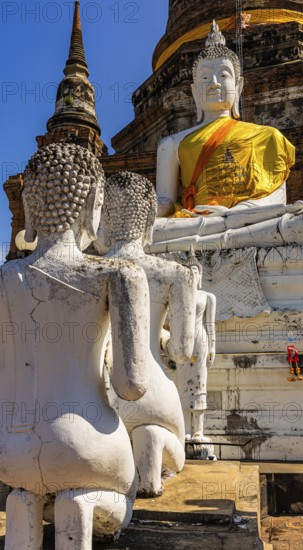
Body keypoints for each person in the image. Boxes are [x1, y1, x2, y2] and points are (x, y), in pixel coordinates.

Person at [0, 144, 151, 549]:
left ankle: (23, 504)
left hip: (9, 448)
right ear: (92, 202)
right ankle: (82, 504)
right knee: (125, 492)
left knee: (24, 490)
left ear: (30, 206)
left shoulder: (4, 277)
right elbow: (131, 385)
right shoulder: (118, 275)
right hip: (86, 446)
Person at [148, 21, 303, 254]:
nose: (213, 83)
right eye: (204, 78)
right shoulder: (172, 143)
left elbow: (276, 198)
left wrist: (235, 213)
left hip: (246, 220)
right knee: (146, 231)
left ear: (238, 87)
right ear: (193, 92)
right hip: (195, 221)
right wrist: (142, 210)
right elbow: (167, 202)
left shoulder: (266, 136)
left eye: (223, 75)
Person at [95, 171, 197, 497]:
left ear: (101, 220)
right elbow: (182, 352)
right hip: (152, 398)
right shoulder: (175, 274)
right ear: (151, 222)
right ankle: (152, 444)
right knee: (176, 453)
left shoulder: (83, 271)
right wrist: (165, 338)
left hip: (94, 396)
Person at [174, 251, 216, 440]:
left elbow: (210, 324)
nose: (193, 274)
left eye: (195, 271)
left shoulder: (207, 297)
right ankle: (186, 430)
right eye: (189, 271)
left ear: (200, 275)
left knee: (200, 383)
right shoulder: (179, 296)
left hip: (200, 340)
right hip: (183, 341)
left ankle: (198, 429)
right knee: (182, 384)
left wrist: (213, 347)